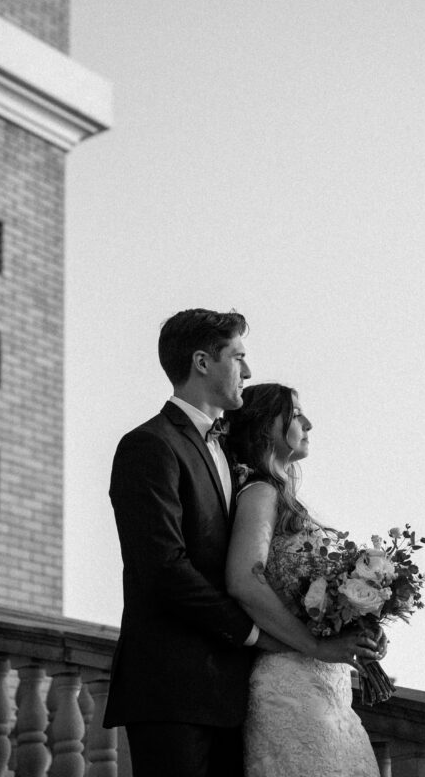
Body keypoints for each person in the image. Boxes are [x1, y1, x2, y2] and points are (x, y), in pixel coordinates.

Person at [103, 308, 263, 777]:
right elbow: (163, 568)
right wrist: (252, 632)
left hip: (233, 693)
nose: (248, 372)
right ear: (201, 362)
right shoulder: (148, 446)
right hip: (171, 689)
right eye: (238, 357)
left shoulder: (232, 451)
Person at [225, 383, 383, 777]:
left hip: (330, 691)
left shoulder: (284, 499)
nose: (308, 423)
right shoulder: (259, 493)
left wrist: (361, 626)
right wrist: (316, 645)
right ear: (265, 427)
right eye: (295, 414)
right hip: (292, 689)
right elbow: (245, 579)